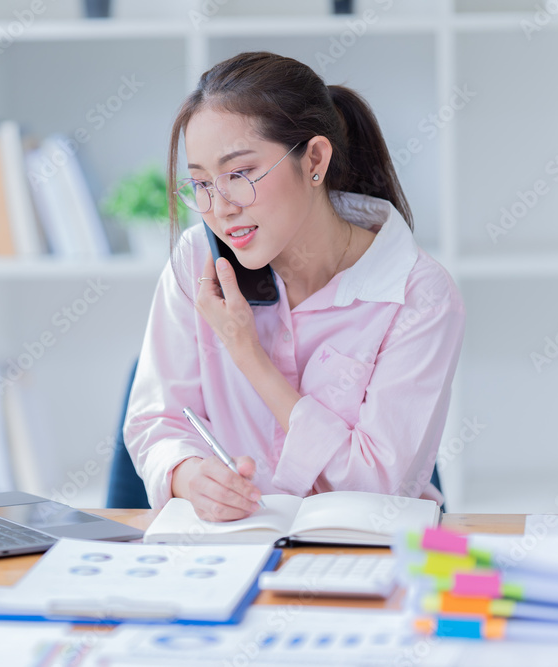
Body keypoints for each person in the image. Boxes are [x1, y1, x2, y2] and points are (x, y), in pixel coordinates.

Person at [123, 51, 466, 522]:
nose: (219, 209)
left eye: (239, 175)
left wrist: (248, 354)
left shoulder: (418, 294)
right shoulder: (196, 263)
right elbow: (154, 422)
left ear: (315, 160)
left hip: (363, 556)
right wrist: (187, 475)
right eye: (200, 183)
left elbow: (376, 490)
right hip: (229, 552)